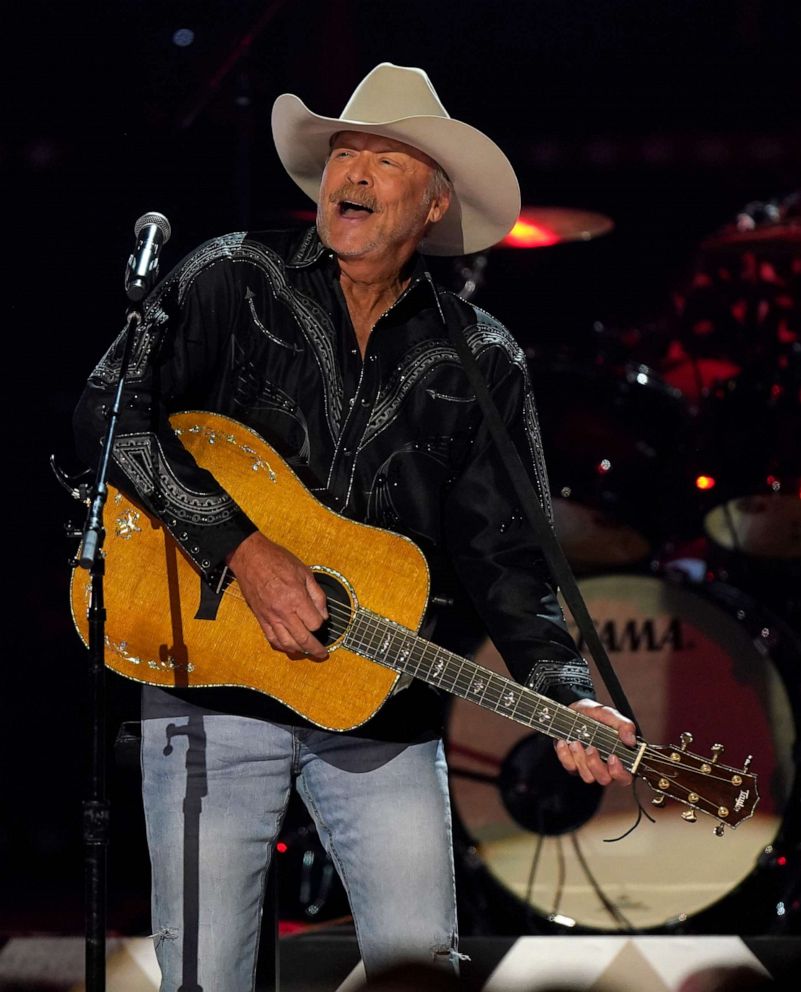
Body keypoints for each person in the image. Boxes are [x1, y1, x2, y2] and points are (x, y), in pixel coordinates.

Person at [73, 63, 636, 990]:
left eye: (386, 156)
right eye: (345, 153)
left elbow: (511, 556)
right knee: (205, 976)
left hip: (383, 705)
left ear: (434, 204)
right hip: (209, 678)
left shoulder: (482, 354)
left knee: (421, 966)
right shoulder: (230, 277)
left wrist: (564, 690)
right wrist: (244, 554)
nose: (356, 172)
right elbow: (110, 414)